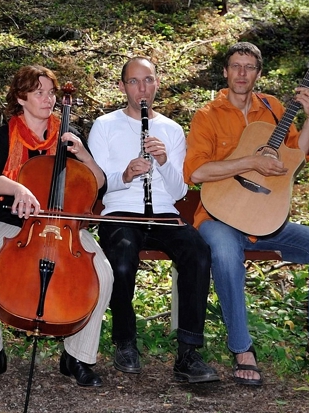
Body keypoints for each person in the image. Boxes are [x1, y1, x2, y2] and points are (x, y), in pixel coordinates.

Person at [183, 42, 309, 385]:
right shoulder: (207, 115)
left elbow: (297, 156)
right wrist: (251, 161)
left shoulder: (274, 108)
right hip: (219, 218)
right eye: (236, 66)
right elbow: (196, 173)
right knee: (226, 252)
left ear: (258, 74)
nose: (242, 73)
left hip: (266, 219)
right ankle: (242, 348)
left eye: (249, 67)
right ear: (225, 72)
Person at [0, 65, 114, 388]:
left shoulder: (68, 135)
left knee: (104, 274)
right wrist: (18, 188)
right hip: (13, 224)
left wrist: (84, 155)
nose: (48, 100)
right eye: (39, 93)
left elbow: (99, 185)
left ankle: (77, 356)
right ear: (21, 98)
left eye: (51, 93)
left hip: (65, 227)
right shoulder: (5, 134)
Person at [88, 57, 219, 383]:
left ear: (157, 83)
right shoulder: (104, 126)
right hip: (120, 211)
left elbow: (177, 191)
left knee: (198, 252)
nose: (141, 88)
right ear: (122, 87)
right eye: (133, 81)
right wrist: (126, 174)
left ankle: (188, 353)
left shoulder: (171, 130)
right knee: (121, 258)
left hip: (163, 213)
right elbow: (99, 183)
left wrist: (162, 160)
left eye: (147, 80)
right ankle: (125, 341)